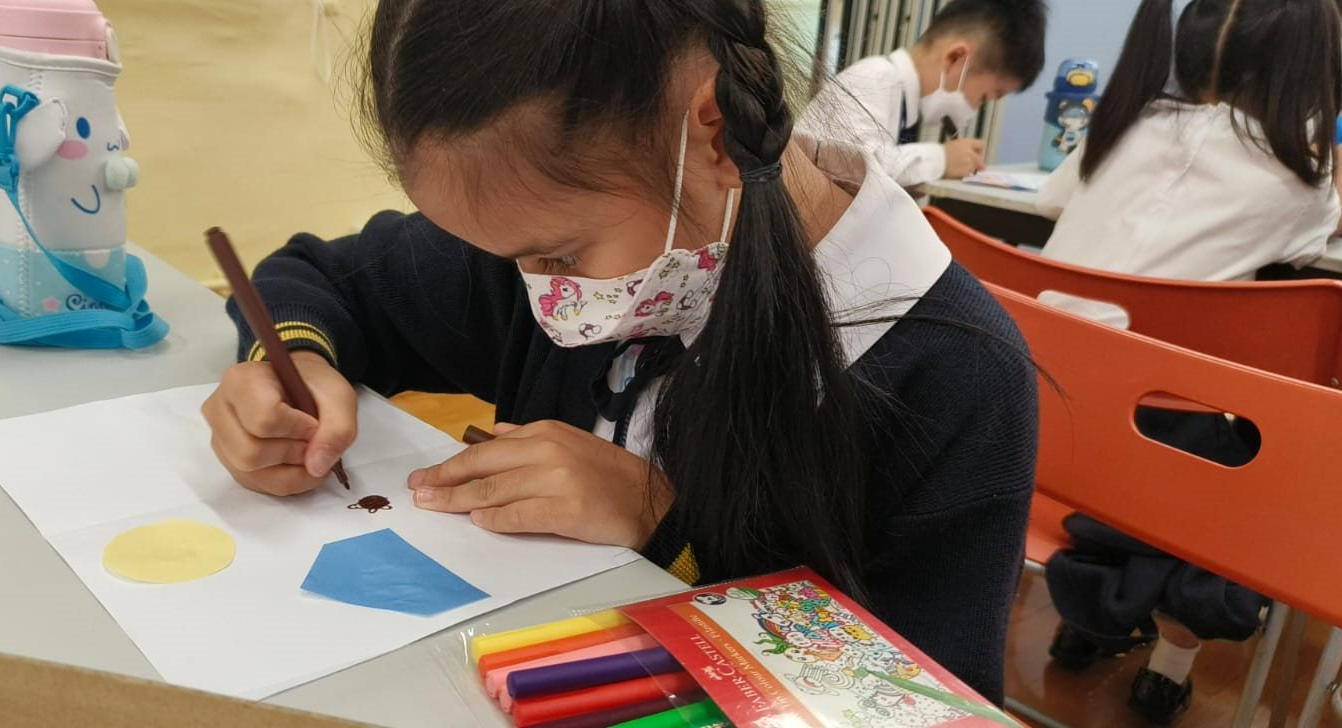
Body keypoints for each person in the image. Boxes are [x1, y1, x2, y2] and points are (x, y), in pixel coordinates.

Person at [202, 0, 1038, 703]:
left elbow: (917, 704)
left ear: (713, 133)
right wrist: (296, 364)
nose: (541, 292)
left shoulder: (950, 375)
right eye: (507, 256)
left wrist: (664, 527)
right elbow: (320, 278)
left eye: (560, 257)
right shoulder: (552, 222)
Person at [1034, 0, 1342, 723]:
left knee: (1171, 411)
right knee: (1255, 463)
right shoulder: (1297, 175)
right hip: (1153, 471)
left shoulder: (1117, 127)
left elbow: (1049, 202)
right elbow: (1316, 245)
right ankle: (1167, 668)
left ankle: (1091, 619)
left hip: (1039, 432)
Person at [802, 0, 1048, 186]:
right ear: (955, 58)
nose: (975, 110)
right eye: (983, 98)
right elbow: (851, 169)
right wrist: (941, 159)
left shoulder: (904, 104)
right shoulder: (874, 78)